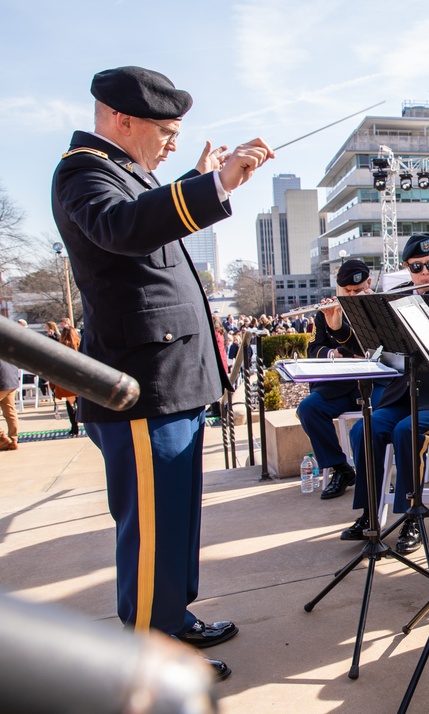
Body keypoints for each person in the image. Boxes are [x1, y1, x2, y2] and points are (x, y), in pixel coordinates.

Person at [51, 65, 274, 680]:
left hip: (168, 377)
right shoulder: (82, 172)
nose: (173, 142)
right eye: (166, 130)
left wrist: (195, 182)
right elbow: (125, 228)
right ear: (123, 120)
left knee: (174, 514)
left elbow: (147, 216)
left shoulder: (125, 174)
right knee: (151, 525)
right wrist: (211, 184)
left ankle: (170, 617)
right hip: (141, 384)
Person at [342, 233, 429, 554]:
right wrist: (359, 313)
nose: (426, 274)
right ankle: (370, 513)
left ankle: (412, 516)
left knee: (405, 431)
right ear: (406, 267)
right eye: (418, 267)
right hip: (401, 396)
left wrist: (401, 306)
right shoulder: (393, 296)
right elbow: (375, 348)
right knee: (364, 429)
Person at [297, 260, 384, 500]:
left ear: (369, 282)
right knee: (308, 409)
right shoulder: (325, 312)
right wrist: (331, 353)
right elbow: (313, 349)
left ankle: (381, 475)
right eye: (347, 292)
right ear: (339, 289)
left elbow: (378, 348)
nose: (352, 295)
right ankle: (340, 467)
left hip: (375, 384)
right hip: (340, 386)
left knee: (382, 418)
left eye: (358, 291)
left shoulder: (381, 308)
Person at [50, 319, 82, 436]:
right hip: (80, 381)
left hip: (66, 381)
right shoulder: (80, 346)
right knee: (82, 403)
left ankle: (74, 428)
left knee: (70, 405)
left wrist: (52, 384)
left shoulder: (59, 348)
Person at [0, 358, 18, 451]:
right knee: (10, 411)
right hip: (12, 382)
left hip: (2, 382)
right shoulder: (5, 349)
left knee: (9, 411)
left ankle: (1, 438)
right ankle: (13, 441)